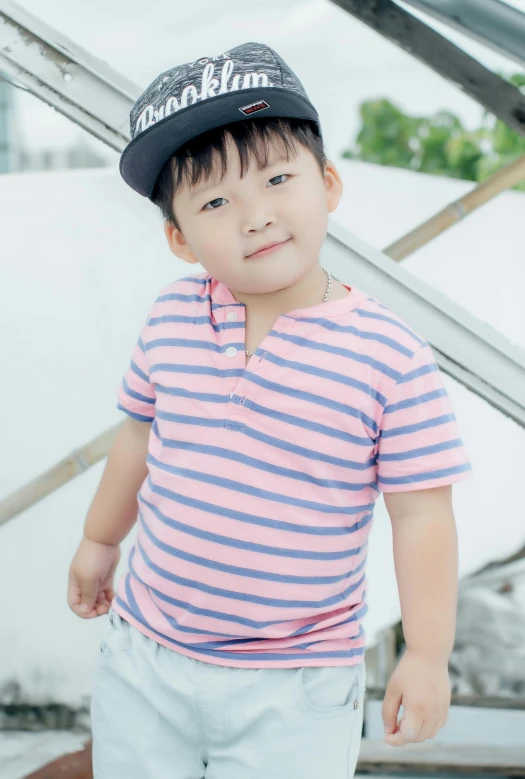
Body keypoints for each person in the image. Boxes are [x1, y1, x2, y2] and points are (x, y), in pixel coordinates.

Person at [67, 41, 474, 778]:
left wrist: (426, 653)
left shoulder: (389, 354)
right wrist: (100, 541)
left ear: (327, 184)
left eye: (278, 179)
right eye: (216, 201)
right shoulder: (171, 317)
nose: (255, 216)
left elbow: (421, 513)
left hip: (296, 682)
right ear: (179, 238)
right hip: (145, 654)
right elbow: (136, 438)